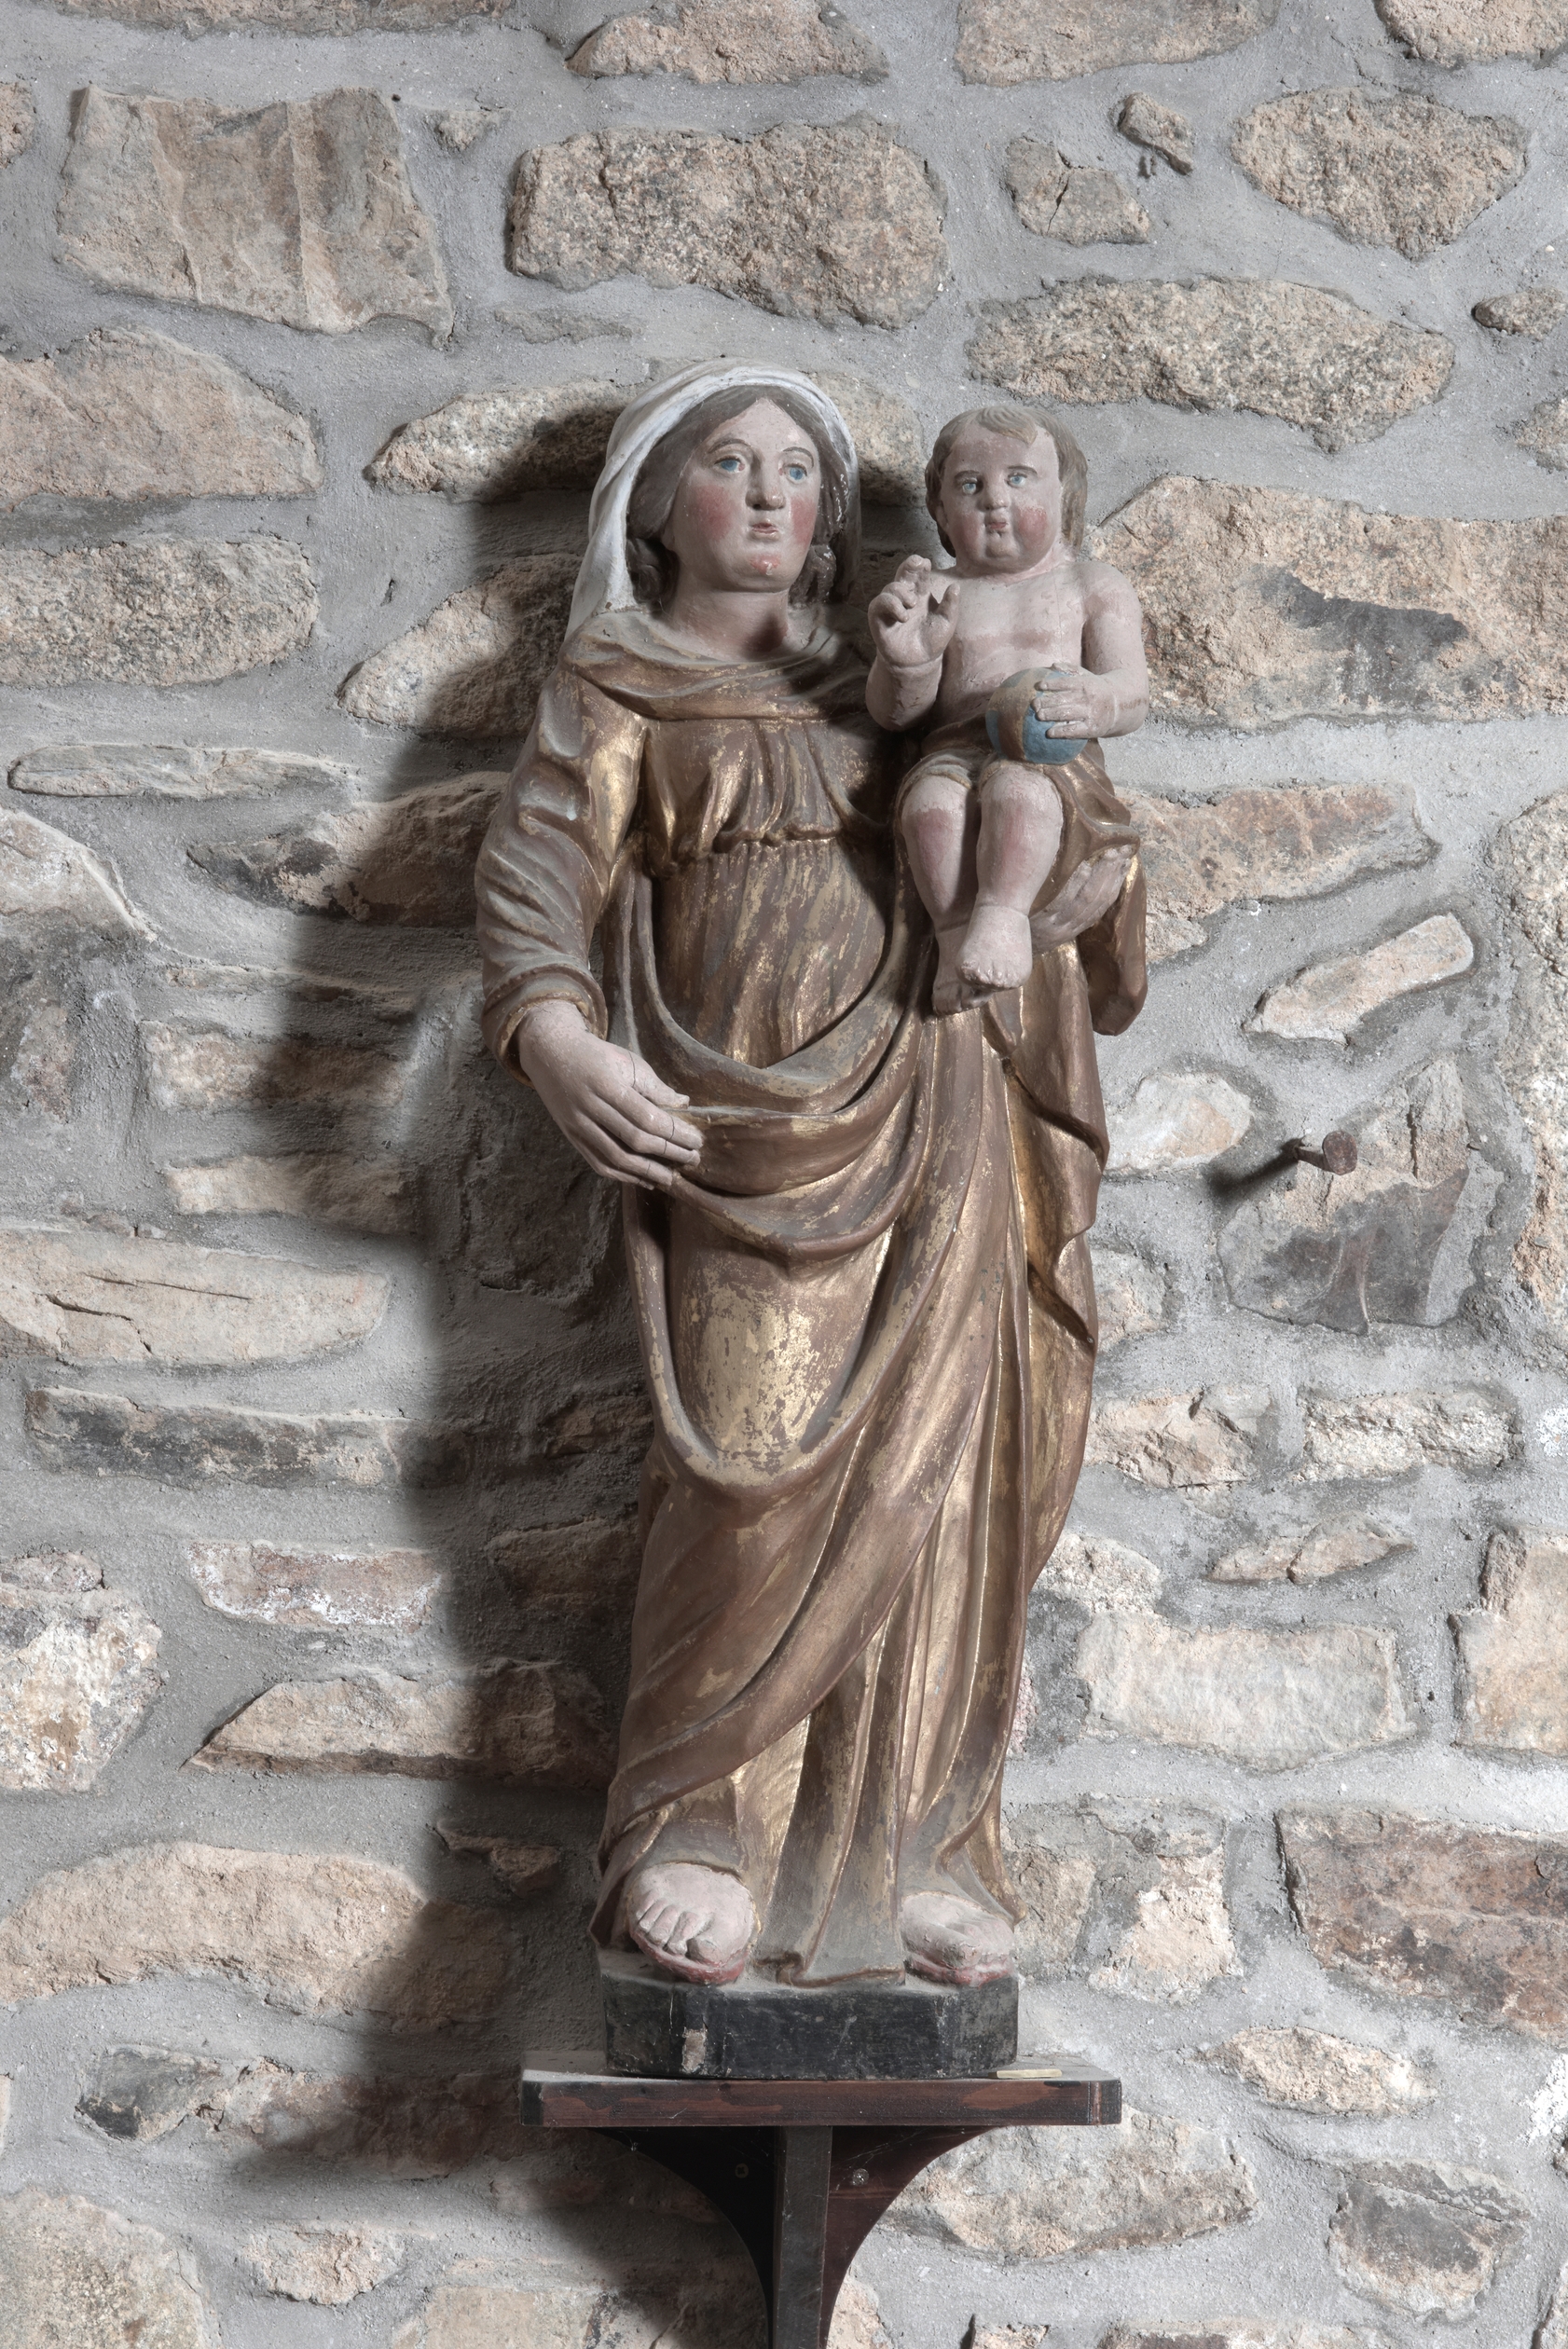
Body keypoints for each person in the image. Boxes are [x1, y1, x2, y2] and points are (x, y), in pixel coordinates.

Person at [475, 364, 1147, 1995]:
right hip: (743, 1131)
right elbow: (539, 871)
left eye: (797, 470)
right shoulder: (621, 685)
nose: (772, 496)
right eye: (731, 463)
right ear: (657, 505)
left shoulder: (901, 675)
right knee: (749, 1462)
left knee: (944, 1477)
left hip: (949, 1088)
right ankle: (694, 1828)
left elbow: (1073, 812)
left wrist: (1071, 864)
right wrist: (556, 1042)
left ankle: (912, 1847)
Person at [868, 403, 1148, 1013]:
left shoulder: (1090, 586)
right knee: (929, 807)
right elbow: (894, 717)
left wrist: (1099, 701)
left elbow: (1133, 690)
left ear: (1064, 493)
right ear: (941, 511)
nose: (995, 499)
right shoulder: (938, 593)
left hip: (1052, 758)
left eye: (1018, 478)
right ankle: (952, 939)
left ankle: (1002, 916)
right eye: (970, 485)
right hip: (953, 751)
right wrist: (907, 663)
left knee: (1017, 791)